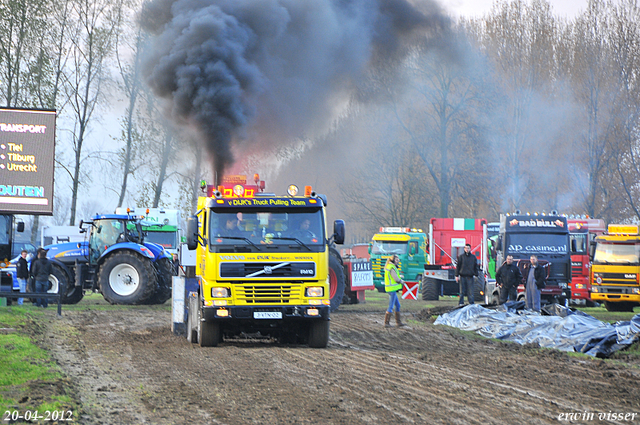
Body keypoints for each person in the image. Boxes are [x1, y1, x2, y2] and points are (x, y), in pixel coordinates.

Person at [383, 254, 406, 327]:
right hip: (391, 289)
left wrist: (400, 276)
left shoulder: (390, 266)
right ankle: (386, 323)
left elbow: (394, 277)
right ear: (393, 260)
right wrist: (401, 281)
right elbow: (396, 279)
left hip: (391, 289)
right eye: (396, 260)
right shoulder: (391, 267)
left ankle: (398, 322)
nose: (398, 261)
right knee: (391, 306)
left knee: (398, 305)